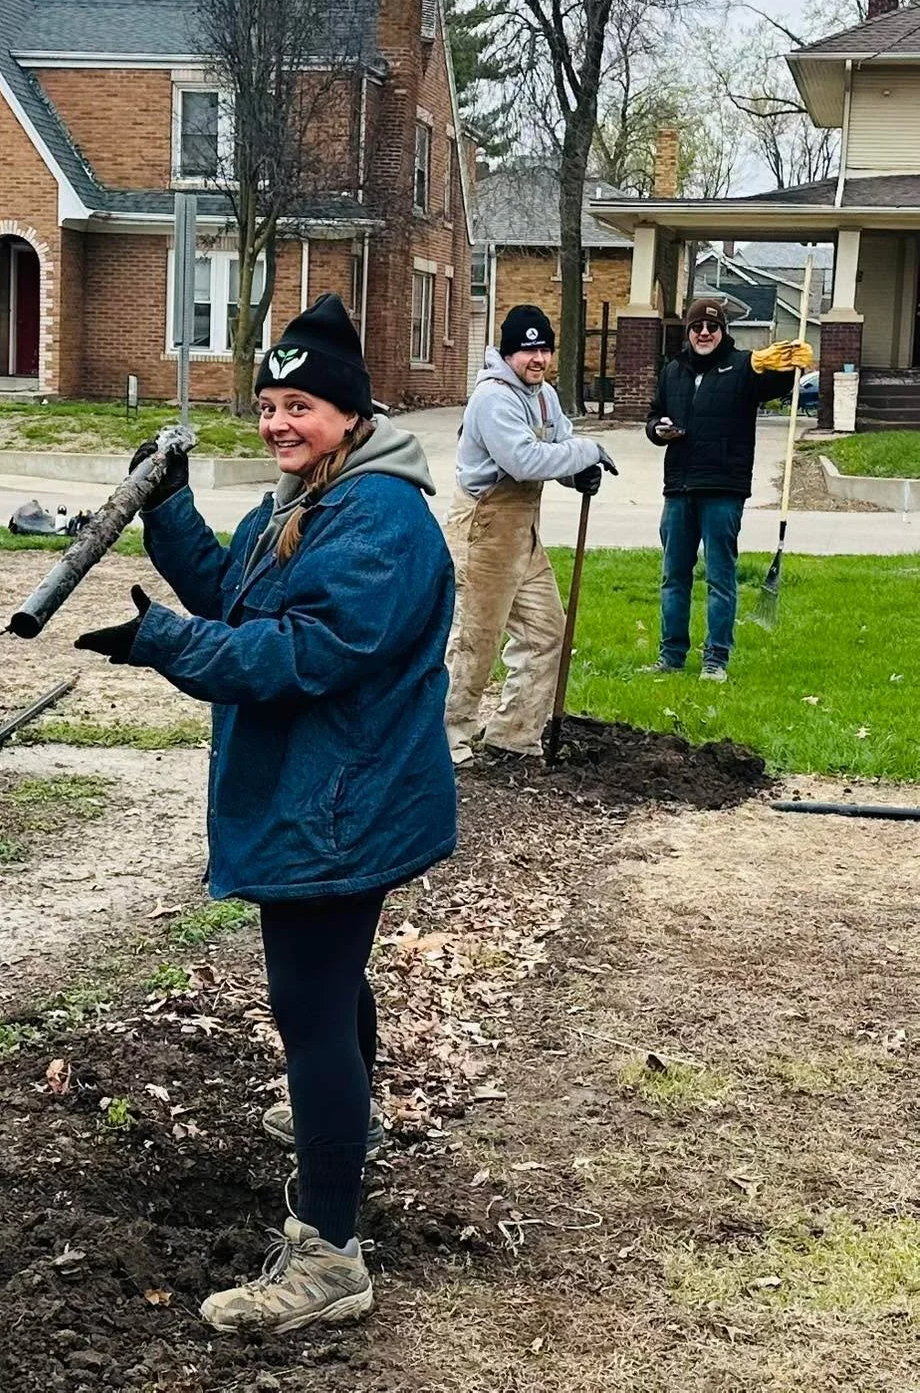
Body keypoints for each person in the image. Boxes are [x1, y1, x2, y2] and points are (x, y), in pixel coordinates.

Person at [73, 293, 457, 1333]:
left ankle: (331, 1255)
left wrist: (161, 645)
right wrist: (170, 506)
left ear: (350, 411)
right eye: (269, 404)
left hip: (340, 803)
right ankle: (352, 1127)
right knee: (331, 989)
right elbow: (235, 594)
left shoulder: (381, 520)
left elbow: (299, 655)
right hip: (326, 791)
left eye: (301, 405)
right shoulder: (310, 497)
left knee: (312, 1011)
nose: (280, 423)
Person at [444, 304, 617, 765]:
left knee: (545, 632)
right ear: (508, 353)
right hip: (484, 530)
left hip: (523, 534)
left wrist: (577, 473)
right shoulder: (494, 398)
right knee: (474, 641)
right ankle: (446, 740)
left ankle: (513, 735)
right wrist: (588, 451)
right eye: (527, 350)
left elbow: (556, 446)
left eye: (543, 349)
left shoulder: (543, 396)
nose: (537, 359)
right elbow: (524, 460)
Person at [645, 297, 812, 682]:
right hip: (679, 489)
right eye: (697, 327)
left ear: (723, 332)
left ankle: (715, 659)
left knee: (720, 577)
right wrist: (658, 429)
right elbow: (653, 416)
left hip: (723, 489)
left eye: (713, 327)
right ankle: (671, 656)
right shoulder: (673, 371)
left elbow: (779, 380)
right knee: (674, 576)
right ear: (688, 332)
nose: (705, 333)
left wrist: (796, 363)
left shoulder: (743, 367)